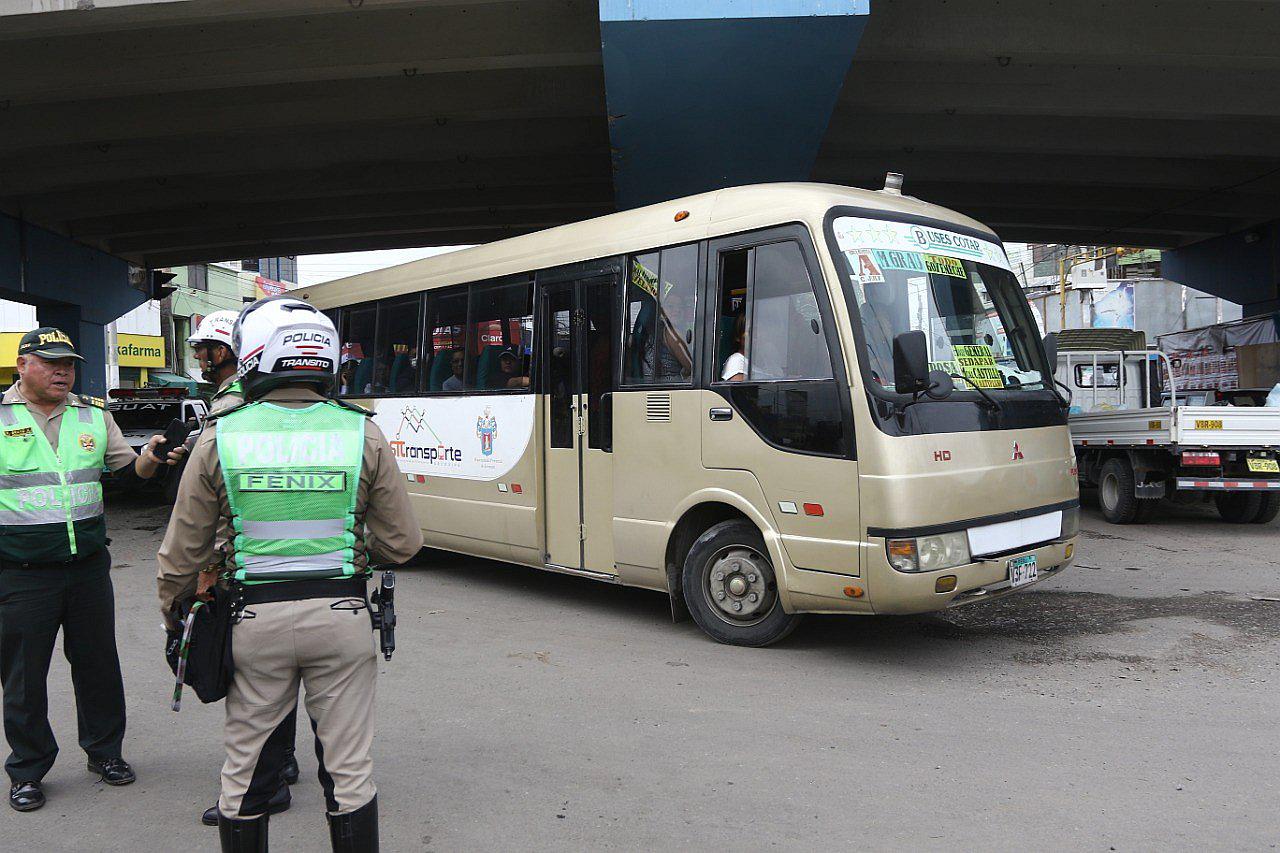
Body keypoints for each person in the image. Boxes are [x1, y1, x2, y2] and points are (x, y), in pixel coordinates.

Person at [157, 297, 423, 851]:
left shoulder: (220, 434)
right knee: (349, 774)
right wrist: (353, 557)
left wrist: (174, 616)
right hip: (344, 618)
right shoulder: (362, 432)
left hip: (254, 621)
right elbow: (402, 543)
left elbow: (182, 551)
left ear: (254, 355)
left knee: (244, 771)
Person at [0, 327, 186, 812]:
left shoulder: (93, 415)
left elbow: (127, 475)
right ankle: (28, 768)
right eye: (51, 362)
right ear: (23, 365)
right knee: (23, 677)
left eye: (69, 363)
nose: (64, 371)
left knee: (98, 666)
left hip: (87, 568)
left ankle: (105, 754)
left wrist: (151, 460)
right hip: (20, 571)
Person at [187, 311, 300, 827]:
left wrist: (206, 569)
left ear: (231, 350)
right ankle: (283, 766)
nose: (199, 359)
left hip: (246, 560)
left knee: (255, 681)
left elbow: (217, 503)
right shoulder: (272, 399)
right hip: (298, 559)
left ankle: (261, 786)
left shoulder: (233, 406)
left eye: (205, 348)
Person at [721, 314, 748, 382]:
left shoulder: (766, 361)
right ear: (738, 337)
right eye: (751, 331)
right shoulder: (736, 361)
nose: (757, 335)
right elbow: (741, 392)